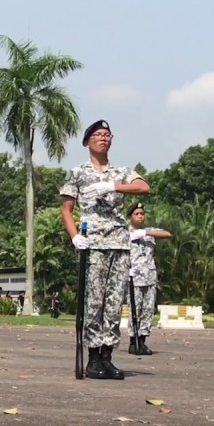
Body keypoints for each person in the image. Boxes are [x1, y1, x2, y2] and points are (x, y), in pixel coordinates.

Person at [59, 119, 149, 380]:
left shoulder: (121, 171)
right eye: (98, 134)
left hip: (119, 243)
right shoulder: (77, 173)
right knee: (94, 302)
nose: (103, 138)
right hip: (93, 243)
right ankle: (93, 358)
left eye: (108, 135)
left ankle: (107, 356)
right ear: (87, 141)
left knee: (114, 303)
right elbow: (66, 210)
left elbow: (144, 187)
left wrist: (112, 186)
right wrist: (75, 237)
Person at [127, 202, 172, 355]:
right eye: (136, 214)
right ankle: (133, 342)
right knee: (135, 309)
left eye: (142, 214)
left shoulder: (148, 231)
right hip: (133, 277)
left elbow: (167, 234)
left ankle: (143, 341)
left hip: (149, 277)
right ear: (130, 217)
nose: (140, 216)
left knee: (147, 310)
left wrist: (145, 233)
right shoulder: (125, 233)